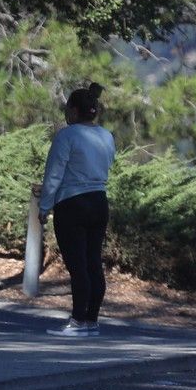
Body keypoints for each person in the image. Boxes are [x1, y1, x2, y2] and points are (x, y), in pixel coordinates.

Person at [36, 83, 117, 336]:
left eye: (67, 110)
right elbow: (109, 162)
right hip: (99, 200)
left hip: (72, 203)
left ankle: (77, 320)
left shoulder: (67, 136)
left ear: (73, 111)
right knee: (93, 261)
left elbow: (54, 174)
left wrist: (45, 206)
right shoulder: (106, 136)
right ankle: (91, 320)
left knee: (77, 264)